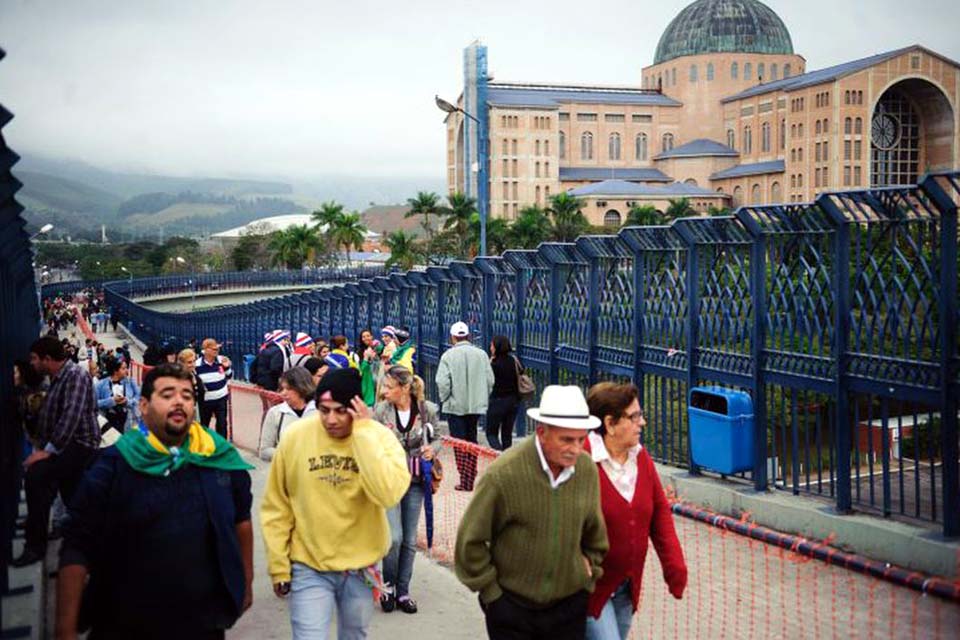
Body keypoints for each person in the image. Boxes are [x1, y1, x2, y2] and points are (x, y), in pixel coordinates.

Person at [56, 363, 255, 639]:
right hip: (124, 622)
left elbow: (241, 520)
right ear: (144, 406)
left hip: (203, 623)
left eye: (187, 396)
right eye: (168, 394)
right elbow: (77, 542)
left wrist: (246, 580)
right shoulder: (113, 465)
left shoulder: (219, 458)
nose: (179, 402)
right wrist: (64, 629)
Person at [260, 368, 410, 639]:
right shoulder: (296, 438)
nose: (330, 419)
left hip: (361, 568)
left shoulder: (379, 437)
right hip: (309, 565)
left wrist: (363, 434)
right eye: (323, 410)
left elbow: (388, 494)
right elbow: (277, 506)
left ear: (357, 406)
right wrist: (279, 564)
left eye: (340, 410)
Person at [454, 385, 609, 640]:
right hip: (513, 610)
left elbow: (595, 534)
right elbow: (470, 541)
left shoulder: (586, 471)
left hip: (568, 609)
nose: (575, 449)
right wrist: (492, 595)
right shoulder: (504, 474)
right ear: (541, 432)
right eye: (566, 439)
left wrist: (588, 577)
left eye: (581, 440)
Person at [584, 383, 687, 640]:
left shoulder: (641, 458)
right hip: (590, 587)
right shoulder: (583, 459)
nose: (643, 422)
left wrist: (674, 565)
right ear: (609, 424)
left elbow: (660, 514)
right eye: (634, 416)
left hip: (627, 585)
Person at [13, 336, 101, 567]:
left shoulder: (75, 376)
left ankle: (36, 544)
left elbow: (70, 416)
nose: (31, 363)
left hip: (79, 444)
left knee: (37, 476)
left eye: (34, 358)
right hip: (68, 445)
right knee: (72, 495)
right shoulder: (58, 378)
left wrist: (48, 451)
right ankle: (78, 539)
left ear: (47, 358)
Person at [373, 365, 442, 614]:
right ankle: (387, 587)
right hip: (390, 481)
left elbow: (439, 438)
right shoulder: (381, 411)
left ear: (404, 388)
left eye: (389, 387)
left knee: (410, 540)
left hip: (415, 481)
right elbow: (370, 439)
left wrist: (431, 450)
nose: (384, 391)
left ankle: (403, 592)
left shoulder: (427, 410)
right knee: (394, 538)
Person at [435, 321, 494, 491]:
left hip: (454, 405)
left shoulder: (448, 356)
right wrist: (482, 396)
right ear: (468, 335)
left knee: (459, 442)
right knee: (472, 439)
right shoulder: (482, 354)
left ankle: (464, 477)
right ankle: (470, 476)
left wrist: (445, 399)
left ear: (453, 337)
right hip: (475, 405)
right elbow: (490, 380)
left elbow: (442, 382)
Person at [258, 368, 317, 462]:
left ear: (302, 388)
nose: (283, 393)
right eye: (282, 389)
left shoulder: (320, 411)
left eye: (289, 389)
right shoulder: (275, 413)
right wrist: (288, 455)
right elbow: (264, 451)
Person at [485, 335, 520, 451]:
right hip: (513, 401)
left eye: (492, 345)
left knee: (491, 433)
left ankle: (499, 455)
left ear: (496, 347)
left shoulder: (493, 364)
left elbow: (488, 381)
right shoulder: (513, 360)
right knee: (507, 434)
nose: (490, 348)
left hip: (497, 401)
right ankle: (506, 457)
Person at [196, 338, 233, 438]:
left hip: (221, 398)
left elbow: (229, 376)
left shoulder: (222, 360)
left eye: (217, 349)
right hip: (205, 401)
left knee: (222, 424)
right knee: (204, 425)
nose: (217, 351)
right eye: (214, 349)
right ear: (206, 350)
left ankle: (222, 447)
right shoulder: (197, 365)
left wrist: (227, 367)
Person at [94, 357, 141, 435]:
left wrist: (127, 402)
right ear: (115, 371)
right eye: (123, 368)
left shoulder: (131, 381)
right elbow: (93, 403)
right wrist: (111, 401)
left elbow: (139, 398)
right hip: (108, 424)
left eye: (126, 368)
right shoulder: (101, 384)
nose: (127, 371)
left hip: (129, 422)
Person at [178, 348, 207, 423]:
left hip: (199, 413)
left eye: (194, 361)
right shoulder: (178, 379)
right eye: (189, 362)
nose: (193, 364)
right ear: (182, 364)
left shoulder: (195, 375)